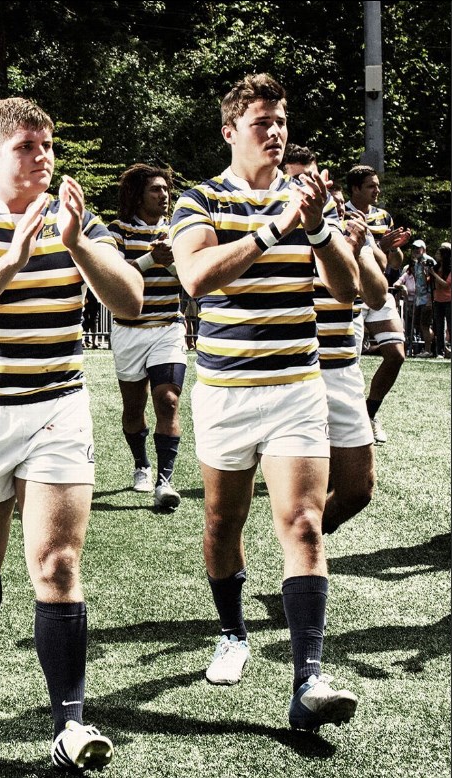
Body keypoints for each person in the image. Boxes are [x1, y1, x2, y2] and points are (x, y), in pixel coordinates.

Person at [0, 96, 142, 771]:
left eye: (46, 145)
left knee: (58, 564)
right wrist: (11, 260)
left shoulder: (79, 217)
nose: (42, 157)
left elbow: (130, 300)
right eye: (26, 147)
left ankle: (69, 723)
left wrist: (76, 244)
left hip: (56, 408)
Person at [170, 73, 359, 731]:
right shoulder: (200, 199)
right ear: (230, 131)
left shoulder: (306, 201)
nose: (275, 133)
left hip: (296, 389)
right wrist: (275, 229)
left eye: (280, 122)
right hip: (225, 393)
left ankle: (309, 680)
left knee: (303, 522)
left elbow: (348, 290)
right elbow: (196, 277)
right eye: (261, 123)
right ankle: (232, 632)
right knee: (223, 524)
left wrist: (319, 229)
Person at [283, 147, 388, 535]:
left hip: (341, 369)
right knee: (304, 492)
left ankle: (302, 543)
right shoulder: (269, 228)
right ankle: (304, 554)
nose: (304, 186)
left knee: (358, 490)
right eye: (294, 179)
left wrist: (357, 252)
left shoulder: (346, 225)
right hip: (292, 371)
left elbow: (376, 296)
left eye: (309, 177)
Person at [107, 163, 186, 510]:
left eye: (166, 189)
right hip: (129, 330)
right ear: (138, 195)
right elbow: (111, 276)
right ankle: (141, 463)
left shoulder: (179, 230)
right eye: (155, 189)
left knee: (167, 400)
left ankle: (164, 483)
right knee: (133, 408)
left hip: (168, 327)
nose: (163, 195)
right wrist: (149, 260)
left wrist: (169, 263)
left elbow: (193, 278)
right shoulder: (118, 231)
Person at [343, 164, 408, 442]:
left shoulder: (383, 216)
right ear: (355, 188)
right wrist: (380, 248)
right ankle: (349, 424)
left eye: (377, 185)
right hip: (353, 296)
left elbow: (394, 263)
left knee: (396, 354)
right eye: (371, 186)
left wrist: (393, 247)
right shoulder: (341, 213)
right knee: (350, 365)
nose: (377, 190)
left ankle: (370, 413)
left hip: (380, 292)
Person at [432, 243, 452, 357]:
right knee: (439, 327)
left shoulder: (449, 269)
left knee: (450, 326)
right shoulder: (436, 268)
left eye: (438, 253)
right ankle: (440, 351)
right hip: (438, 300)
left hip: (449, 300)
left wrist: (434, 274)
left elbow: (446, 284)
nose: (436, 255)